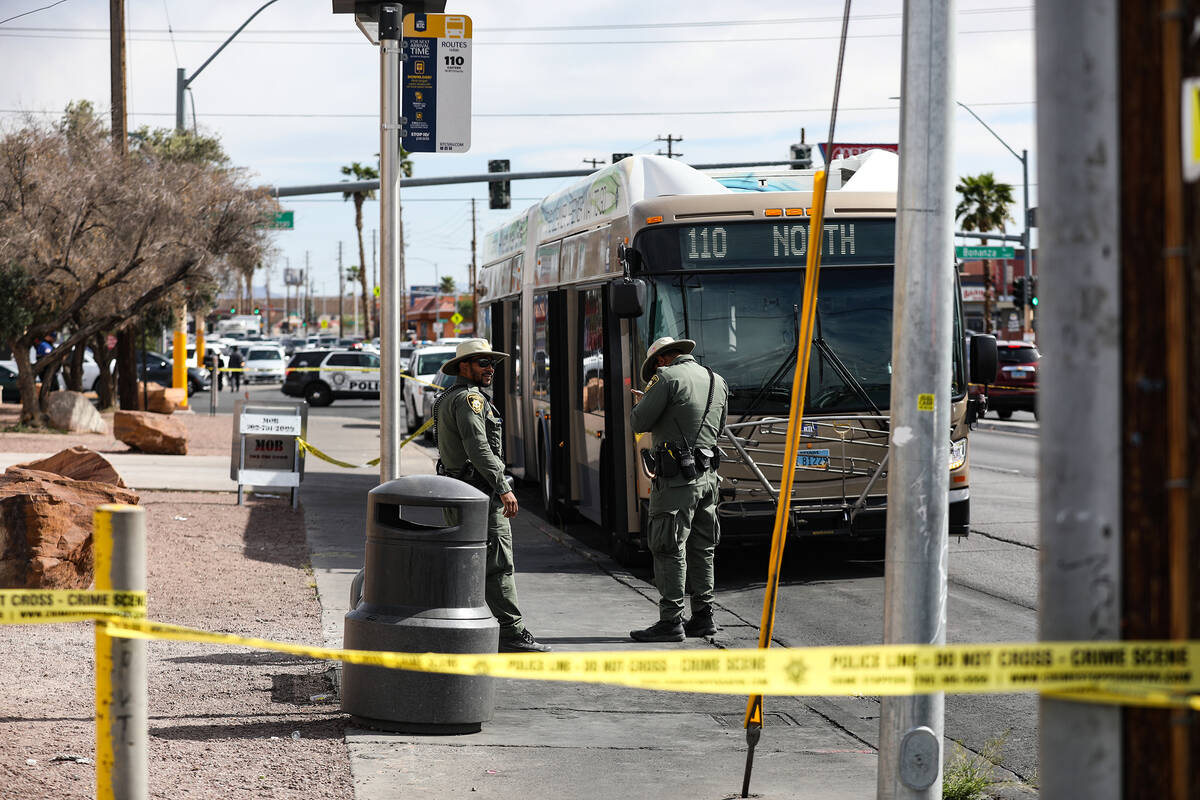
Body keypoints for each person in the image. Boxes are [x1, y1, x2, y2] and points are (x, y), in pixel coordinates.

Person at [434, 338, 551, 653]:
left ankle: (467, 627)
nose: (490, 369)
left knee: (467, 562)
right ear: (464, 366)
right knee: (499, 563)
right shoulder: (470, 399)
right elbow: (478, 446)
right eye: (482, 363)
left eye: (493, 363)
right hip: (480, 495)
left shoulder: (448, 397)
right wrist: (504, 487)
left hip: (458, 491)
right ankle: (511, 632)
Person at [628, 336, 729, 643]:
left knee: (669, 545)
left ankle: (671, 620)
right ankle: (703, 616)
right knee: (703, 547)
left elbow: (638, 422)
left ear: (660, 360)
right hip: (708, 477)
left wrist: (643, 400)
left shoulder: (666, 378)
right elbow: (719, 427)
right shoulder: (717, 380)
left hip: (676, 482)